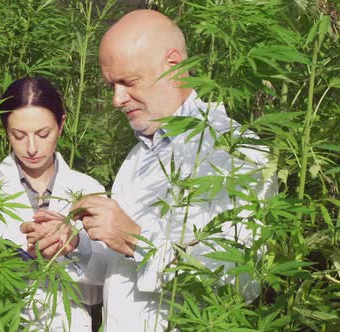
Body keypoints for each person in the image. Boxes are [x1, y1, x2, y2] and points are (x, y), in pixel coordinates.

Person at [20, 10, 276, 331]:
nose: (117, 99)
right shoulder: (138, 155)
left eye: (128, 82)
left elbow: (241, 280)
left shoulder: (233, 149)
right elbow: (120, 273)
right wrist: (75, 247)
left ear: (173, 65)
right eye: (112, 85)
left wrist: (135, 241)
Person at [0, 77, 107, 331]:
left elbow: (103, 289)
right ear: (5, 130)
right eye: (18, 135)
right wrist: (19, 255)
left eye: (43, 134)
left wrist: (75, 245)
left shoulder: (89, 190)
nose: (31, 148)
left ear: (61, 125)